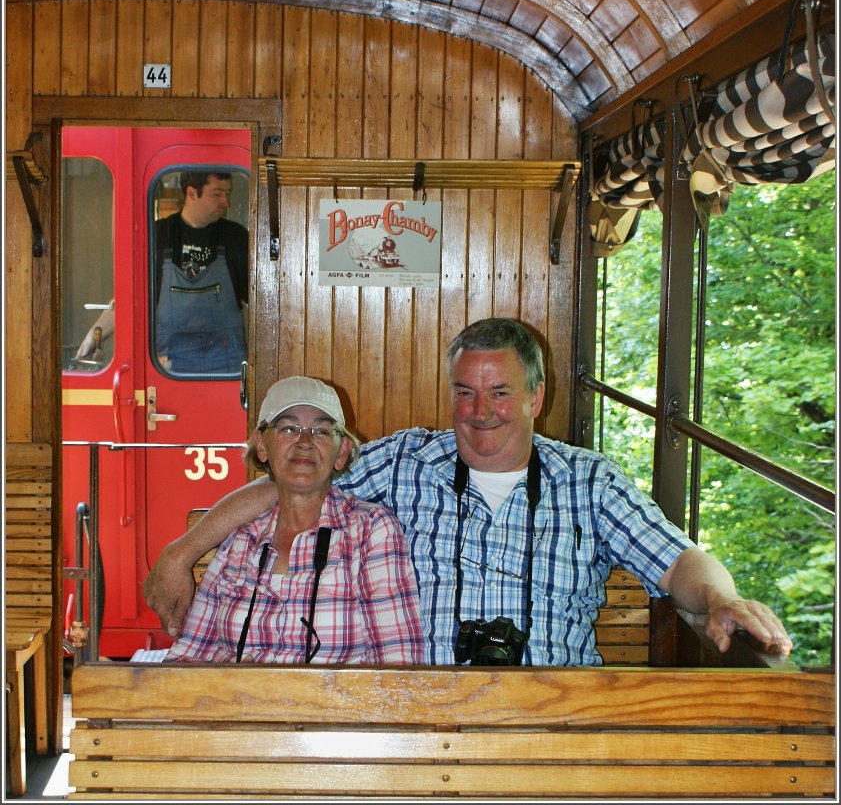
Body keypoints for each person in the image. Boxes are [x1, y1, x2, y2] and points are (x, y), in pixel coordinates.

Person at [145, 318, 792, 666]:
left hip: (553, 714)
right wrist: (180, 553)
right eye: (465, 392)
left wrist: (721, 599)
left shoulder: (589, 481)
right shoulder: (406, 461)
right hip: (431, 714)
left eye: (500, 392)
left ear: (536, 396)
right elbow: (292, 481)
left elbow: (677, 561)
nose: (480, 412)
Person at [165, 375, 424, 664]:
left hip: (332, 696)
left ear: (341, 452)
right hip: (235, 693)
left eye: (321, 431)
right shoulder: (241, 537)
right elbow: (188, 655)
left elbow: (397, 665)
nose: (304, 442)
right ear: (262, 445)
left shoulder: (370, 531)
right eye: (288, 428)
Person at [76, 171, 248, 374]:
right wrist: (93, 336)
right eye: (217, 194)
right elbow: (129, 298)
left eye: (227, 193)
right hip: (170, 370)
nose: (226, 202)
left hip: (226, 371)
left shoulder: (236, 237)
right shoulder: (157, 236)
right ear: (192, 193)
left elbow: (261, 303)